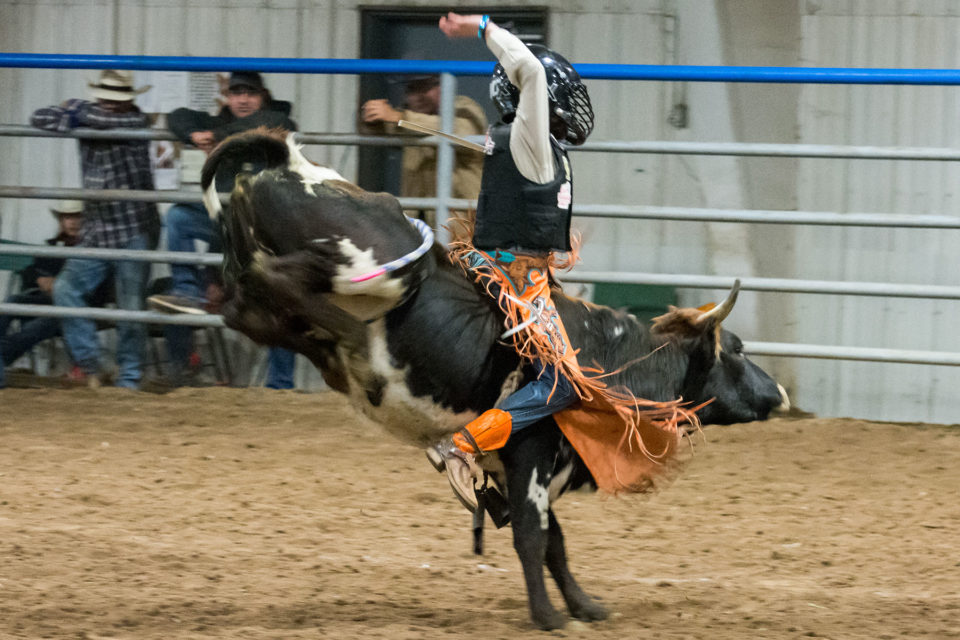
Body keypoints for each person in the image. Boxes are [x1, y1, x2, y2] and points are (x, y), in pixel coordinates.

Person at [425, 13, 611, 510]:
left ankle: (508, 474)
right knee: (561, 384)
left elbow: (515, 212)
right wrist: (483, 26)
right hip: (514, 280)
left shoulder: (518, 143)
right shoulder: (530, 137)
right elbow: (526, 67)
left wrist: (552, 242)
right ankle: (463, 447)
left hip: (502, 264)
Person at [147, 71, 299, 388]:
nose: (243, 100)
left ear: (263, 96)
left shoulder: (274, 121)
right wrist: (194, 135)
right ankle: (186, 295)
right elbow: (177, 117)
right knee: (178, 218)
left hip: (264, 231)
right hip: (228, 227)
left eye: (251, 93)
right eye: (236, 93)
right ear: (227, 97)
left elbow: (277, 123)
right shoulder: (216, 122)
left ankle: (281, 385)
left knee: (278, 303)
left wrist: (217, 136)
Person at [31, 70, 161, 390]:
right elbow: (39, 117)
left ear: (129, 102)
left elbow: (124, 122)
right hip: (98, 227)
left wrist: (76, 111)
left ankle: (129, 378)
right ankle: (94, 365)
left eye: (115, 101)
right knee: (66, 289)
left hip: (133, 225)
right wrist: (79, 113)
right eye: (105, 100)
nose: (110, 106)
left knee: (130, 305)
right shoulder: (93, 118)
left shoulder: (133, 121)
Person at [0, 201, 113, 383]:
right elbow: (30, 270)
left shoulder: (95, 251)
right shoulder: (51, 248)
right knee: (12, 301)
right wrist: (40, 279)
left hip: (79, 306)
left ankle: (3, 355)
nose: (73, 222)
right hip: (49, 300)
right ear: (61, 221)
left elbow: (101, 291)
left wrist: (63, 287)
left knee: (45, 322)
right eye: (68, 216)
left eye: (78, 216)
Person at [360, 71, 486, 227]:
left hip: (464, 228)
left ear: (442, 86)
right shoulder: (408, 116)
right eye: (412, 89)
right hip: (419, 227)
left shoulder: (463, 107)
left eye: (425, 87)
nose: (419, 96)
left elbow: (465, 132)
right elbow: (379, 131)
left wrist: (401, 119)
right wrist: (371, 120)